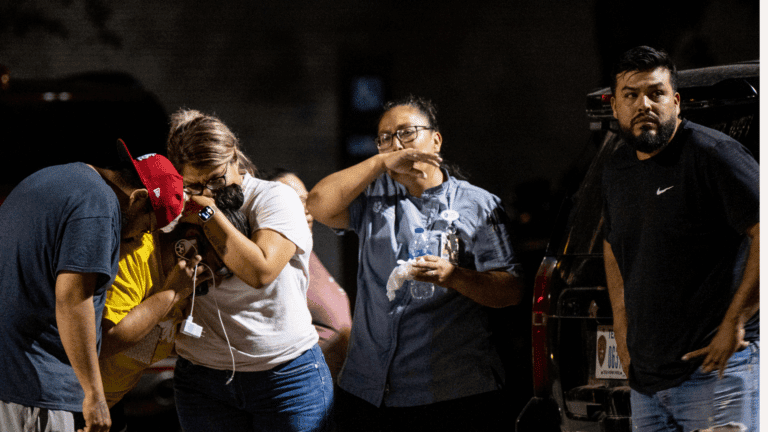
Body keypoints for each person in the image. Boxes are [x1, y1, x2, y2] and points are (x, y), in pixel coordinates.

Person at [307, 95, 524, 432]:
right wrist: (381, 163)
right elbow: (319, 204)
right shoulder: (373, 197)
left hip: (450, 392)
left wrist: (455, 276)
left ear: (435, 139)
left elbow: (510, 290)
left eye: (407, 133)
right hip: (368, 391)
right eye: (385, 138)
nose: (396, 145)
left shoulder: (478, 204)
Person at [601, 46, 759, 432]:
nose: (644, 104)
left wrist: (735, 322)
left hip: (715, 372)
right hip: (647, 384)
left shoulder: (713, 154)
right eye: (631, 95)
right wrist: (623, 335)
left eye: (656, 93)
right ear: (616, 107)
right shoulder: (616, 168)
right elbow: (612, 245)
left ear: (675, 101)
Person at [166, 109, 333, 432]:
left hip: (286, 378)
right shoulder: (181, 205)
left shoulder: (274, 198)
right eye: (195, 184)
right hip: (203, 379)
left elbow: (261, 272)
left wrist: (205, 213)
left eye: (216, 179)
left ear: (235, 159)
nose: (209, 190)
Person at [0, 139, 185, 432]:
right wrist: (94, 394)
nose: (137, 240)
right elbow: (74, 300)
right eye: (145, 228)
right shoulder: (99, 206)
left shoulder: (54, 177)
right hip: (36, 386)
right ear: (137, 198)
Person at [98, 184, 249, 432]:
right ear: (191, 240)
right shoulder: (136, 255)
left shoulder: (187, 281)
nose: (218, 281)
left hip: (111, 405)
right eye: (219, 267)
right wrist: (172, 293)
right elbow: (107, 341)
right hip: (70, 400)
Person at [265, 168, 353, 382]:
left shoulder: (306, 251)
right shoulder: (275, 261)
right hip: (301, 386)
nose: (305, 210)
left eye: (306, 200)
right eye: (292, 201)